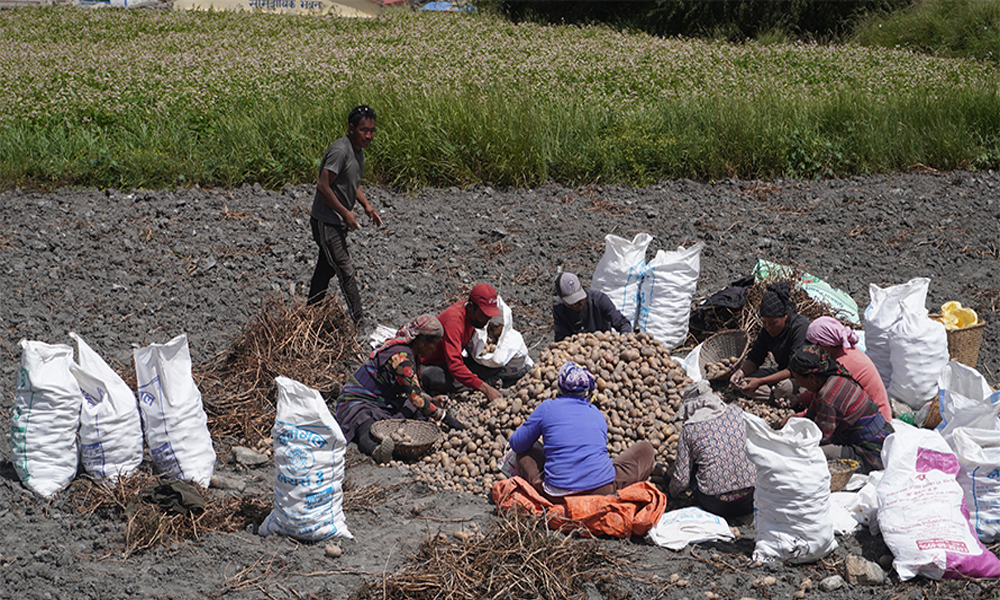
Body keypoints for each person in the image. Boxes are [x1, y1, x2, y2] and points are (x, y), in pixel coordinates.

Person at [509, 362, 654, 498]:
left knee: (523, 454)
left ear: (559, 387)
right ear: (588, 392)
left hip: (558, 497)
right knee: (645, 450)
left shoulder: (547, 408)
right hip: (601, 492)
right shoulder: (598, 414)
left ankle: (547, 496)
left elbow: (517, 444)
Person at [335, 315, 465, 463]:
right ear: (422, 342)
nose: (434, 349)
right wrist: (446, 418)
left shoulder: (412, 353)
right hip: (357, 398)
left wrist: (432, 400)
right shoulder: (402, 359)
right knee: (364, 422)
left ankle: (392, 440)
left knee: (413, 409)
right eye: (433, 344)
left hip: (382, 399)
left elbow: (412, 388)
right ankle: (376, 451)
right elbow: (417, 399)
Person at [307, 104, 383, 325]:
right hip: (327, 221)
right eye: (363, 130)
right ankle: (359, 322)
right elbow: (323, 186)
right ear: (351, 128)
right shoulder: (341, 150)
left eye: (372, 130)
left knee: (325, 268)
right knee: (345, 269)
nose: (368, 136)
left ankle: (310, 314)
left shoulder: (358, 153)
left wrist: (366, 206)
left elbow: (351, 183)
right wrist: (345, 213)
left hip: (337, 222)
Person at [783, 345, 893, 472]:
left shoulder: (829, 396)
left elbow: (822, 438)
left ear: (812, 379)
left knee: (812, 454)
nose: (798, 383)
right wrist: (794, 422)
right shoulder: (833, 377)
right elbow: (811, 415)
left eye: (797, 379)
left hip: (871, 453)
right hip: (881, 436)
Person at [667, 381, 756, 518]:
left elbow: (682, 480)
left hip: (716, 505)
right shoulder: (738, 412)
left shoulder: (689, 430)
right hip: (751, 499)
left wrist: (670, 491)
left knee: (692, 467)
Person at [420, 283, 505, 402]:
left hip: (448, 359)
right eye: (484, 315)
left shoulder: (471, 315)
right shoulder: (454, 322)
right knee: (430, 376)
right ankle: (485, 383)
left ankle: (478, 382)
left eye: (489, 315)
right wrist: (485, 389)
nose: (487, 320)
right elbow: (454, 365)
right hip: (431, 364)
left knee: (492, 365)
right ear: (471, 307)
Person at [730, 282, 810, 402]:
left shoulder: (800, 328)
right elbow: (756, 357)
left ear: (785, 316)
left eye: (773, 323)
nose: (768, 327)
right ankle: (776, 397)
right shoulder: (766, 331)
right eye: (764, 322)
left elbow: (795, 368)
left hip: (799, 376)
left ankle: (789, 398)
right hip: (781, 371)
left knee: (783, 388)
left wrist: (760, 382)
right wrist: (741, 372)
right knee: (744, 382)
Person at [803, 316, 891, 421]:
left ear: (827, 346)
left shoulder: (842, 365)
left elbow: (826, 398)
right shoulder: (839, 353)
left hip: (873, 421)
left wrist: (801, 416)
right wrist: (800, 398)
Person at [552, 271, 632, 342]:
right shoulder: (559, 310)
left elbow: (623, 323)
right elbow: (561, 339)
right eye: (571, 302)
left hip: (604, 348)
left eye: (579, 300)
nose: (575, 304)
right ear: (561, 298)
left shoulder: (600, 300)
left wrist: (623, 340)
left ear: (581, 286)